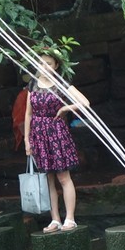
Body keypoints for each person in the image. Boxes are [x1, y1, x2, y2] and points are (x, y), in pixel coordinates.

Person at [24, 49, 87, 233]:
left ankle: (70, 218)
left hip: (56, 133)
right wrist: (28, 141)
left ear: (56, 65)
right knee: (48, 178)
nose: (44, 67)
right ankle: (55, 220)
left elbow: (85, 102)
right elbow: (28, 114)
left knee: (63, 177)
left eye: (49, 63)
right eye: (41, 63)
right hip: (39, 135)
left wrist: (66, 108)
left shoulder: (61, 84)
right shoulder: (33, 84)